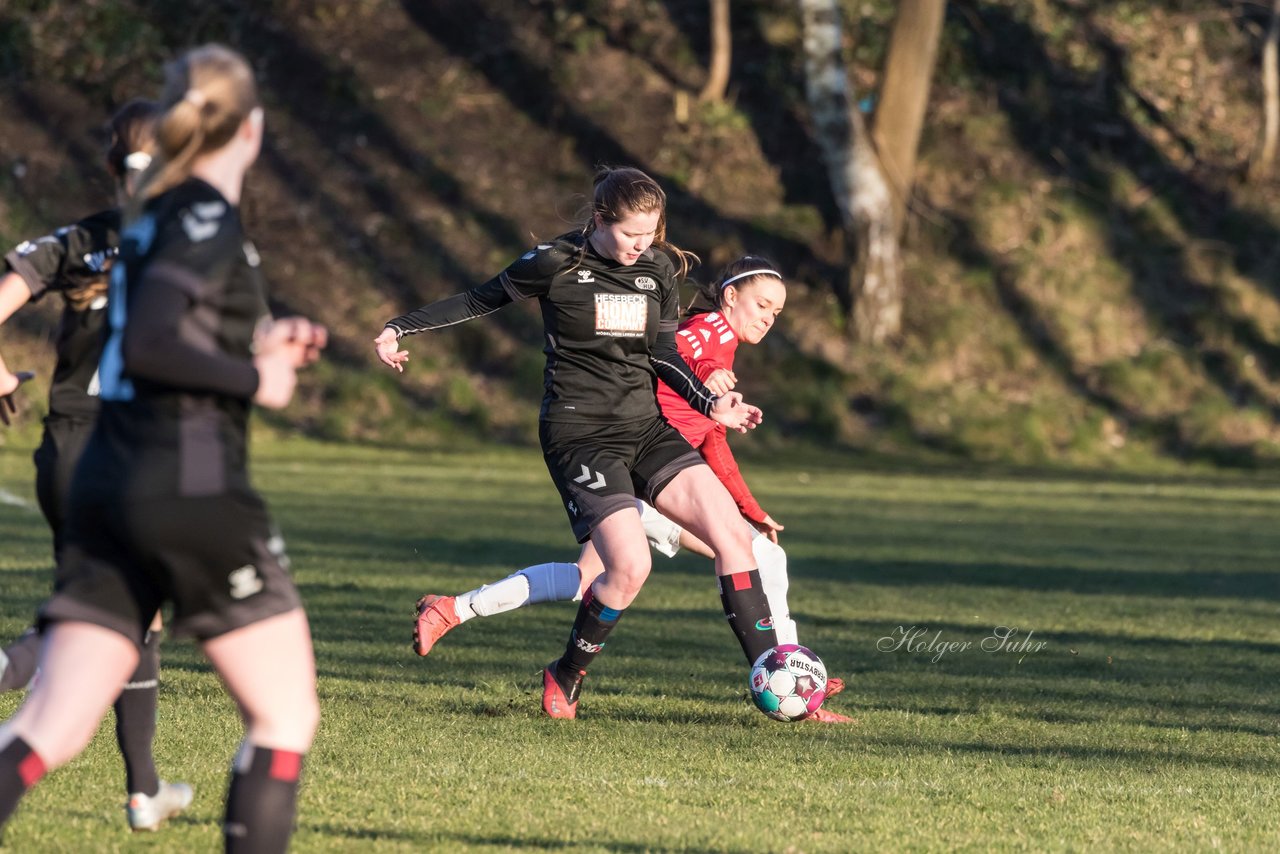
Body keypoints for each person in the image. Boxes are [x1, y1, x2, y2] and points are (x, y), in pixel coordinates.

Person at [0, 44, 326, 854]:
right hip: (188, 480)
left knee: (49, 724)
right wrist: (261, 379)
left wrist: (262, 340)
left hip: (109, 477)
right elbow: (148, 342)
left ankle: (139, 786)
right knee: (285, 714)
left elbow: (164, 326)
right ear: (252, 128)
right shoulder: (203, 214)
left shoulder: (143, 222)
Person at [376, 166, 779, 720]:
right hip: (581, 434)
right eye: (632, 233)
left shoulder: (657, 269)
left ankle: (772, 681)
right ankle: (565, 676)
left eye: (652, 233)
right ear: (599, 220)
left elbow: (665, 356)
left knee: (736, 538)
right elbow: (477, 299)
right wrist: (400, 327)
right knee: (628, 569)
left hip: (645, 428)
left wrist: (712, 407)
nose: (643, 245)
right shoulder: (555, 263)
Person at [408, 255, 852, 723]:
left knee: (588, 581)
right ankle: (793, 682)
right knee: (757, 556)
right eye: (762, 304)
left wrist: (749, 506)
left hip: (648, 467)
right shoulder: (710, 335)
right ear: (731, 297)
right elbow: (675, 356)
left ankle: (453, 608)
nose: (767, 317)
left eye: (776, 312)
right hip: (642, 469)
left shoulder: (723, 343)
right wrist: (705, 374)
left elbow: (710, 436)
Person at [0, 99, 196, 829]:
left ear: (112, 166)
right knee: (110, 623)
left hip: (65, 452)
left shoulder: (78, 239)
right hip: (133, 459)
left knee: (116, 617)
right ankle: (138, 789)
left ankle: (144, 791)